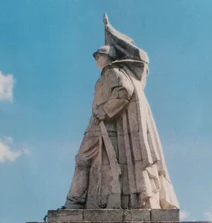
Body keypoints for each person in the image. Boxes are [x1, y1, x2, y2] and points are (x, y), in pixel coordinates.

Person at [64, 15, 179, 210]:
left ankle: (75, 202)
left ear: (108, 57)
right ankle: (81, 201)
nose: (96, 58)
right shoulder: (107, 74)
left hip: (103, 124)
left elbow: (125, 91)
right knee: (90, 162)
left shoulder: (113, 72)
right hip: (99, 125)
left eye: (98, 55)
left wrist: (106, 111)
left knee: (84, 159)